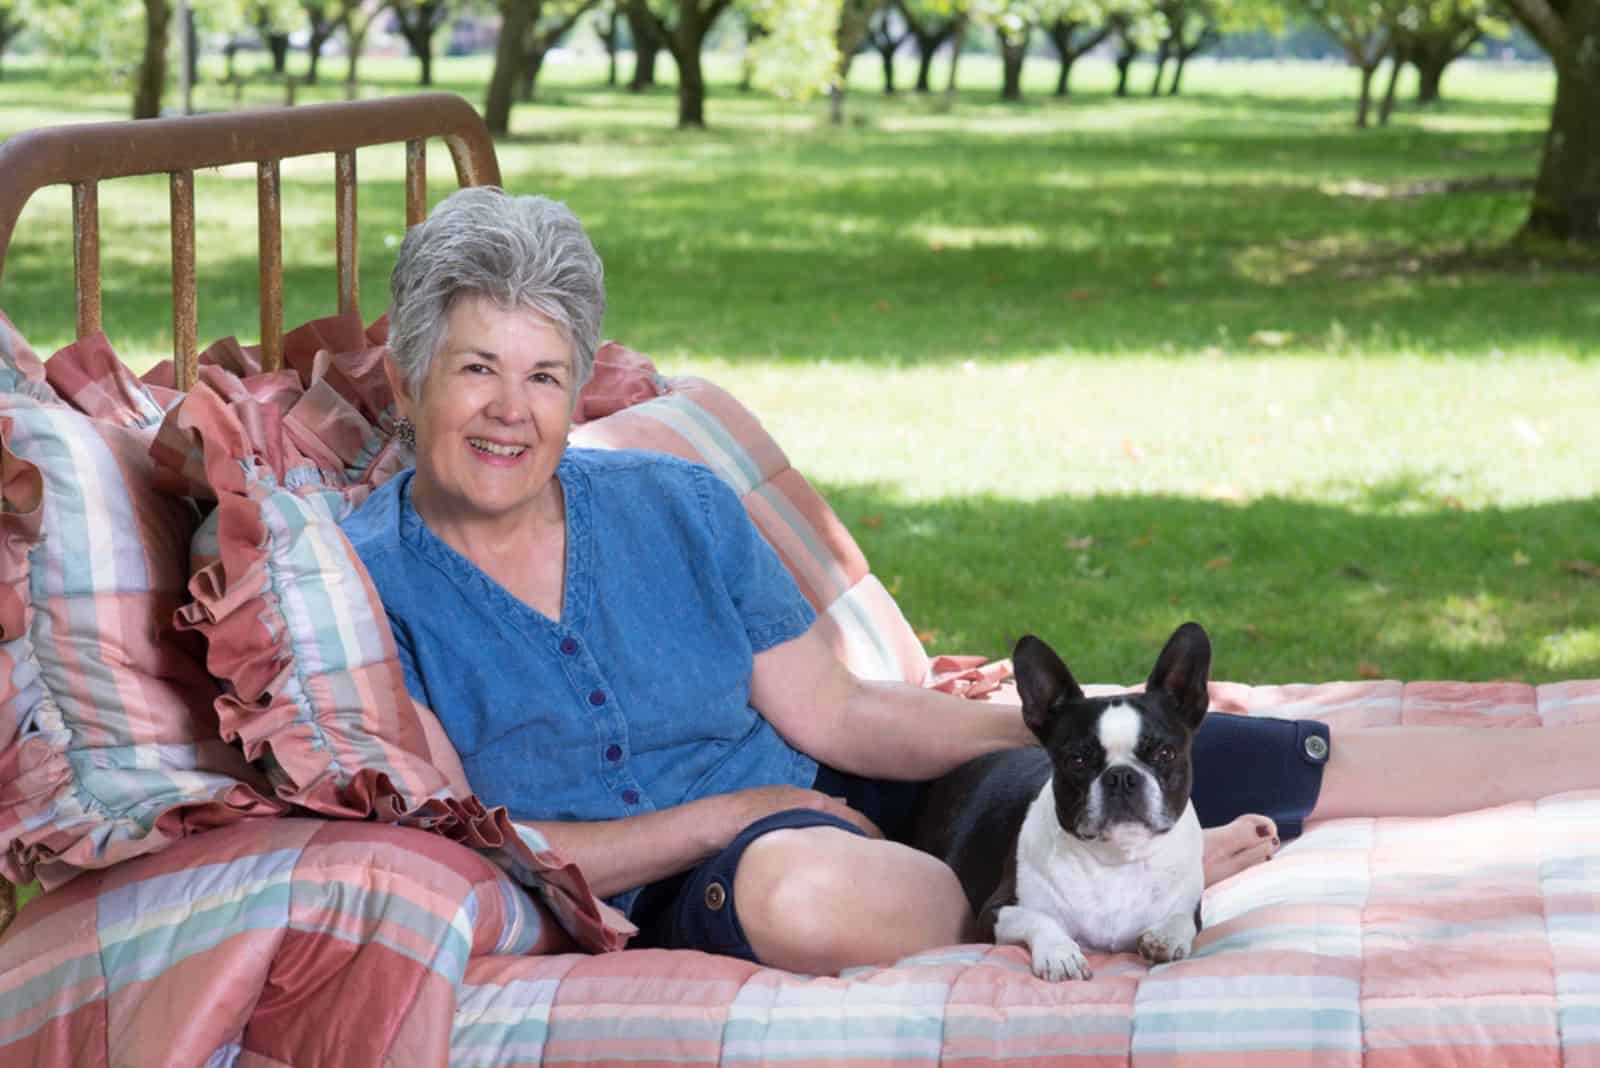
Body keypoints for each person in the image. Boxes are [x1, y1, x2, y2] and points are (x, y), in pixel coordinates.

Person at [342, 186, 1600, 977]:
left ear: (576, 385)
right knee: (811, 885)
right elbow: (485, 839)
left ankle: (1561, 754)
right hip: (724, 869)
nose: (512, 413)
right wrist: (726, 820)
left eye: (545, 375)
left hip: (867, 794)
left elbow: (838, 719)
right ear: (407, 375)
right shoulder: (367, 583)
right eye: (474, 370)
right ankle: (1132, 885)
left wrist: (1085, 733)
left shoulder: (670, 501)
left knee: (1257, 755)